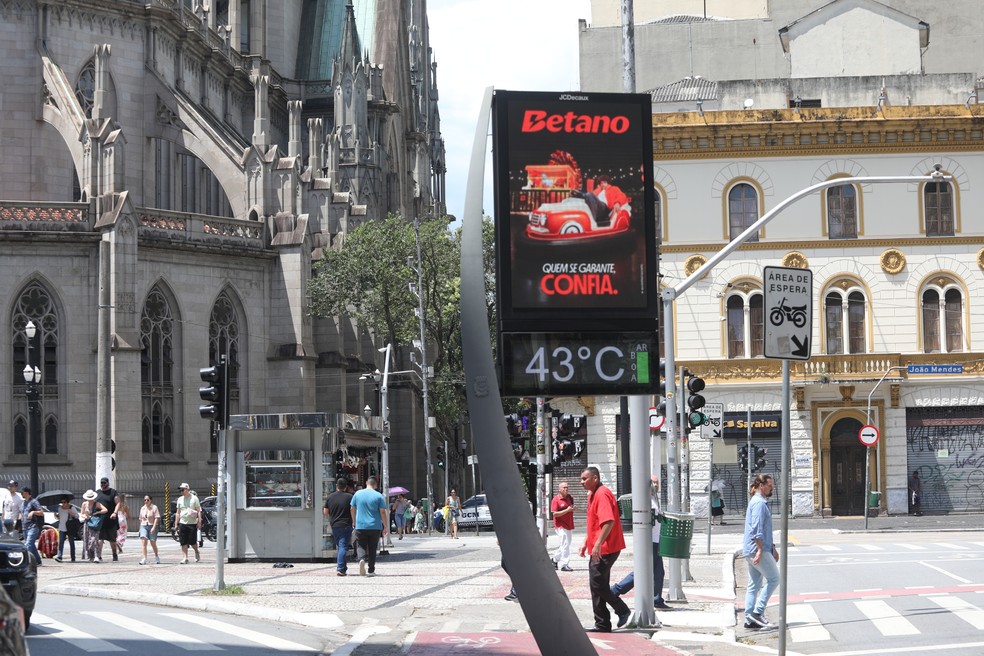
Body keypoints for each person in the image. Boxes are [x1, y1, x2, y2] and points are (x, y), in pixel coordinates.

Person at [579, 466, 630, 633]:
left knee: (597, 583)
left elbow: (608, 521)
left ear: (595, 478)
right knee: (597, 584)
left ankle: (622, 610)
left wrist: (598, 543)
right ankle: (602, 624)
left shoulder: (602, 494)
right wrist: (586, 542)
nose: (581, 482)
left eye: (584, 479)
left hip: (607, 548)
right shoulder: (593, 494)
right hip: (600, 548)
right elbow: (593, 522)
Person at [611, 476, 670, 610]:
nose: (656, 485)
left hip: (656, 540)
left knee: (658, 572)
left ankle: (656, 599)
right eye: (653, 482)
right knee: (642, 570)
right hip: (649, 541)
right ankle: (616, 590)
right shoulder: (644, 498)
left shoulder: (654, 498)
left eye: (657, 482)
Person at [743, 473, 779, 630]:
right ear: (761, 486)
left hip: (754, 548)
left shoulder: (757, 501)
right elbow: (757, 529)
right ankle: (757, 613)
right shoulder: (759, 503)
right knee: (774, 579)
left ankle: (749, 619)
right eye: (769, 486)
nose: (772, 488)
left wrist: (773, 548)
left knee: (754, 585)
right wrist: (759, 550)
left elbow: (764, 529)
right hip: (758, 549)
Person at [350, 477, 388, 577]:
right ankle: (371, 570)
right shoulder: (379, 496)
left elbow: (352, 508)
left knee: (360, 545)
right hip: (375, 526)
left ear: (366, 483)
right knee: (372, 548)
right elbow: (382, 512)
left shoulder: (357, 494)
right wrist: (385, 526)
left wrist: (354, 521)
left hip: (360, 525)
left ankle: (361, 559)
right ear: (376, 485)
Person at [323, 478, 354, 576]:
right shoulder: (350, 497)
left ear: (336, 485)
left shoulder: (330, 497)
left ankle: (343, 568)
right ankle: (340, 568)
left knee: (340, 545)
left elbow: (325, 512)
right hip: (346, 524)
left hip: (335, 525)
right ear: (346, 487)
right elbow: (353, 509)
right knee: (343, 546)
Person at [94, 477, 122, 562]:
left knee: (112, 539)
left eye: (104, 483)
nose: (103, 484)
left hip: (111, 520)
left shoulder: (113, 492)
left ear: (108, 483)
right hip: (100, 520)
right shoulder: (97, 492)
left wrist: (115, 513)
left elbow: (118, 503)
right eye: (101, 483)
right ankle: (98, 555)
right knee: (100, 538)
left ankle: (114, 555)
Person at [550, 481, 575, 571]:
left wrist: (572, 509)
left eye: (567, 487)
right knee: (565, 543)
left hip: (569, 524)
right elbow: (554, 514)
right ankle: (565, 564)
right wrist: (567, 510)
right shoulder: (556, 499)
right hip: (560, 525)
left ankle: (554, 560)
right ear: (559, 489)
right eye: (564, 487)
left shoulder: (570, 498)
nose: (566, 489)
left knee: (566, 544)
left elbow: (571, 508)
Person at [175, 483, 202, 564]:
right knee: (183, 542)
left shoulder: (194, 498)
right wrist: (176, 523)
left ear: (187, 489)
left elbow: (199, 511)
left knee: (192, 541)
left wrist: (199, 521)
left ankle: (196, 551)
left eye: (182, 490)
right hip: (182, 522)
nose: (181, 491)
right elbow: (178, 512)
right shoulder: (180, 499)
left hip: (192, 523)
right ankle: (185, 558)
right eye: (180, 490)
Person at [80, 489, 108, 562]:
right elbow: (81, 513)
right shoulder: (84, 504)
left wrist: (97, 512)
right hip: (87, 523)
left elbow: (105, 510)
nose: (90, 500)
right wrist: (85, 516)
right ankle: (90, 556)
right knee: (87, 539)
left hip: (94, 523)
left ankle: (96, 556)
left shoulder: (97, 504)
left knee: (94, 539)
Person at [20, 487, 45, 566]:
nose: (21, 494)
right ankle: (38, 561)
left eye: (22, 492)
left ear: (27, 493)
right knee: (31, 545)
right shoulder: (23, 503)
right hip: (24, 527)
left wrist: (33, 512)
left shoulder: (34, 502)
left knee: (28, 544)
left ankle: (25, 562)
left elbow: (41, 512)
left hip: (33, 526)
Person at [54, 496, 80, 562]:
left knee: (71, 542)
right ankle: (59, 556)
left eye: (64, 502)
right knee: (61, 542)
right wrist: (56, 515)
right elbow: (59, 518)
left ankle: (73, 557)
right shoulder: (60, 508)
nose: (63, 504)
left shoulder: (71, 508)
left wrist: (72, 514)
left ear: (67, 502)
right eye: (62, 502)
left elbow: (77, 516)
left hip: (70, 527)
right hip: (62, 527)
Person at [138, 495, 161, 565]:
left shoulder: (154, 507)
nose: (146, 501)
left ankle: (156, 556)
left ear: (150, 500)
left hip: (152, 525)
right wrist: (140, 527)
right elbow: (140, 518)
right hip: (144, 525)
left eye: (148, 500)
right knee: (144, 542)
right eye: (145, 500)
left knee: (152, 542)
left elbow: (156, 518)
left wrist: (153, 527)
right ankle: (144, 558)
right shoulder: (142, 508)